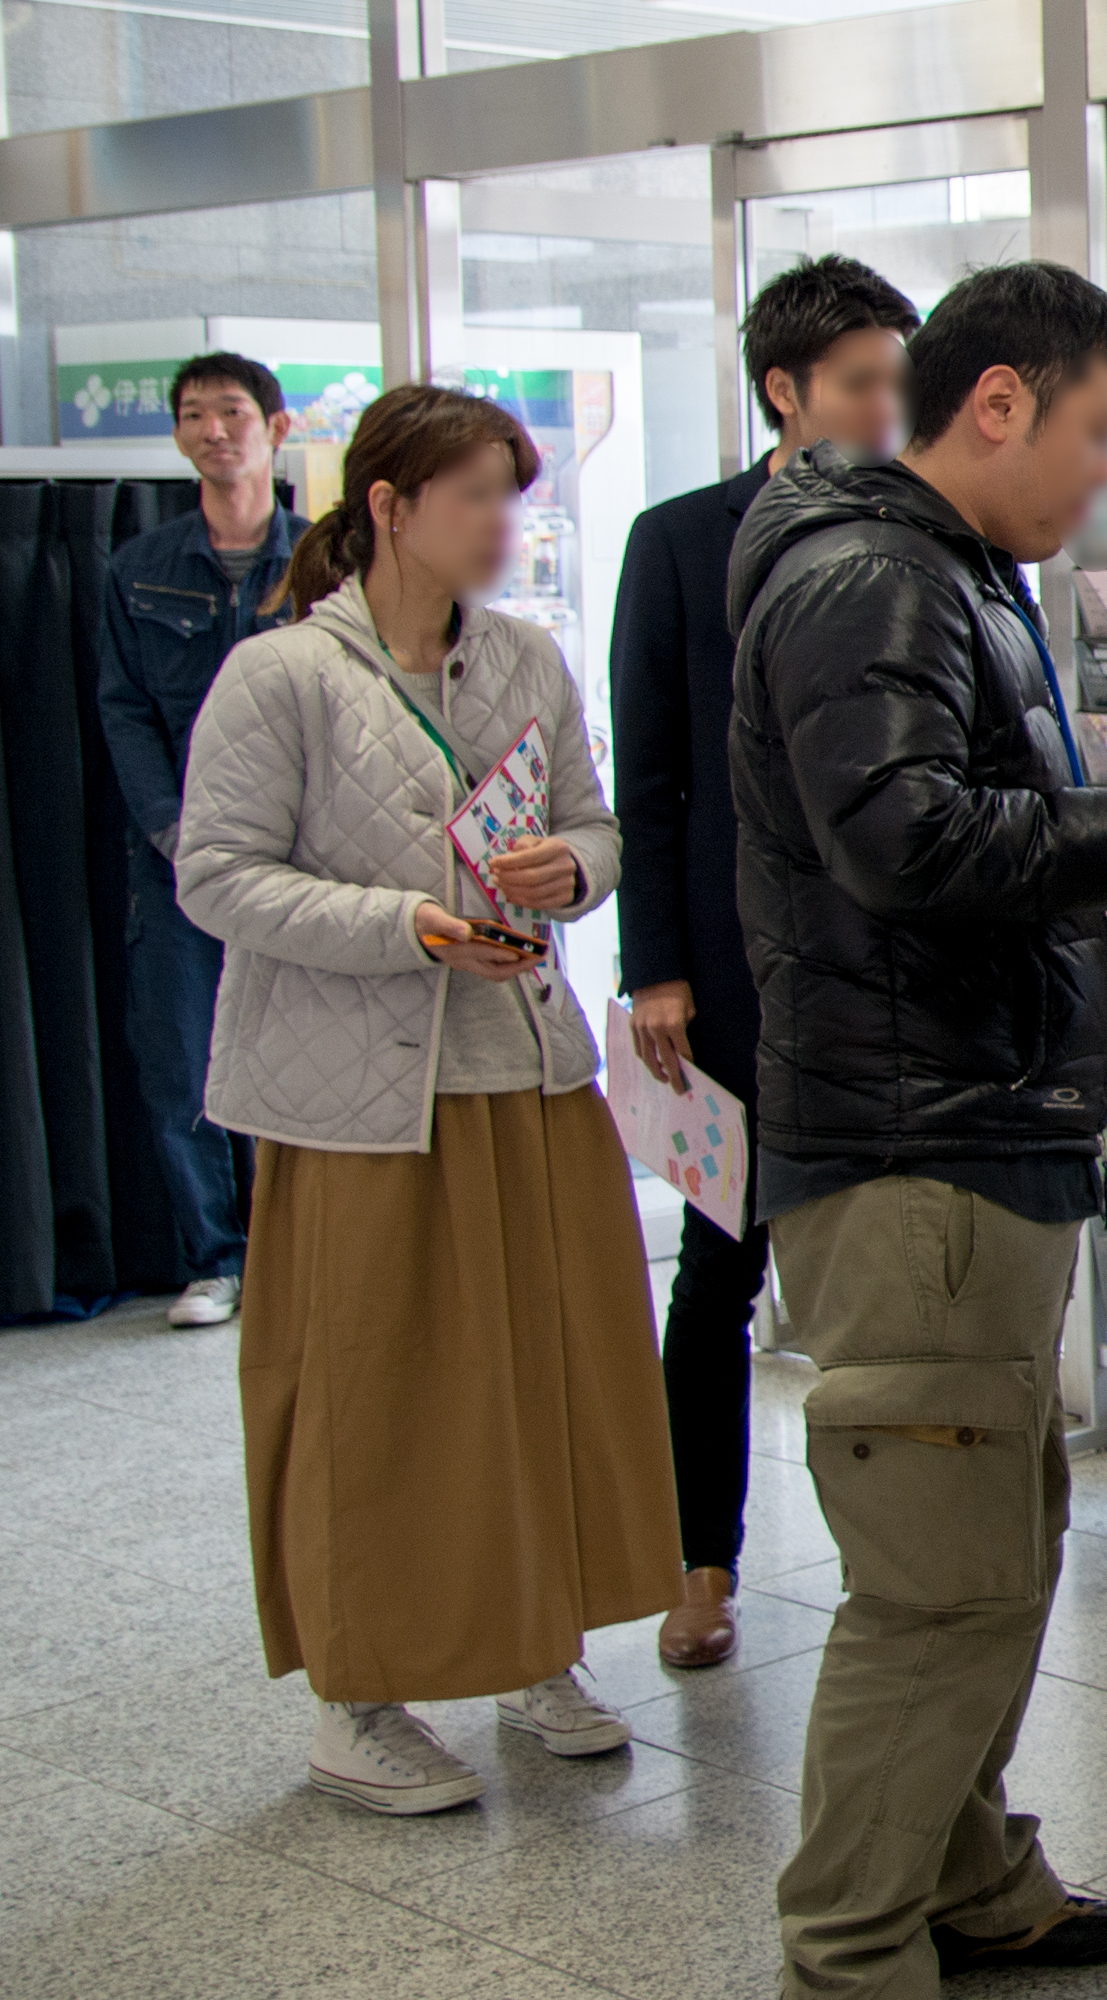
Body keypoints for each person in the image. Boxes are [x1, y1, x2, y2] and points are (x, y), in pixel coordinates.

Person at [728, 261, 1107, 1996]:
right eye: (1092, 432)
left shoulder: (943, 576)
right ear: (998, 400)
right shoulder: (869, 580)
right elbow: (907, 845)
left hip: (971, 1130)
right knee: (937, 1586)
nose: (1100, 480)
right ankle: (850, 1947)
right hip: (912, 1154)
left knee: (999, 1543)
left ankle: (975, 1877)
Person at [176, 383, 683, 1816]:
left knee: (540, 1379)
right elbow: (214, 876)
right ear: (388, 508)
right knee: (371, 1397)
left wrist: (572, 873)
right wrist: (403, 923)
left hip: (522, 1071)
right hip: (360, 1105)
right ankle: (358, 1698)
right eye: (476, 495)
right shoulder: (284, 676)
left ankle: (534, 1644)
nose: (504, 526)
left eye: (513, 497)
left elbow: (593, 819)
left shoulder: (523, 660)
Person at [614, 253, 920, 1671]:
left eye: (895, 380)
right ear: (784, 390)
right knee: (720, 1268)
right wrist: (655, 967)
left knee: (878, 1264)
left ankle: (899, 1563)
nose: (884, 405)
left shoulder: (924, 531)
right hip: (731, 965)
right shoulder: (680, 541)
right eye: (860, 381)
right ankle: (703, 1563)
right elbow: (655, 769)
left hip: (877, 959)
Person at [94, 352, 308, 1329]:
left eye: (232, 412)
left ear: (277, 426)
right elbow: (122, 710)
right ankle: (214, 1258)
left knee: (296, 1047)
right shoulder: (136, 569)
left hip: (302, 851)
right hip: (177, 853)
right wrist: (171, 830)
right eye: (194, 415)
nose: (214, 430)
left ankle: (294, 1252)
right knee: (179, 1053)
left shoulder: (325, 562)